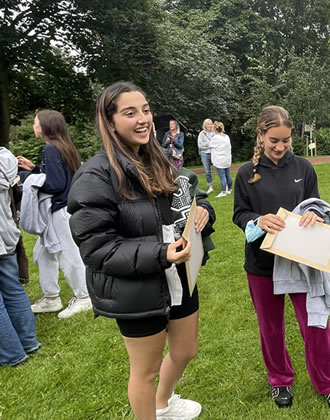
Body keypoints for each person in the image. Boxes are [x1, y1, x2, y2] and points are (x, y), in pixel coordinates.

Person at [67, 81, 214, 419]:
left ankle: (163, 404)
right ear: (110, 121)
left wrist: (203, 211)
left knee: (185, 350)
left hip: (180, 275)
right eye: (130, 112)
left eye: (145, 110)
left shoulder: (158, 158)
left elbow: (187, 199)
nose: (143, 119)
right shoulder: (95, 176)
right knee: (145, 372)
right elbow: (97, 250)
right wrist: (161, 254)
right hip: (137, 288)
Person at [232, 106, 330, 413]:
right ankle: (280, 379)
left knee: (315, 324)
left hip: (301, 261)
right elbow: (239, 215)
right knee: (270, 328)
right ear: (261, 135)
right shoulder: (246, 173)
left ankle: (329, 384)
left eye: (286, 140)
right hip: (262, 265)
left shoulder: (304, 168)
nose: (281, 147)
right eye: (274, 140)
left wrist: (315, 213)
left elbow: (317, 205)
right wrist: (259, 221)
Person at [17, 110, 91, 319]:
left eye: (35, 123)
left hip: (60, 211)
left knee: (68, 255)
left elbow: (54, 184)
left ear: (45, 125)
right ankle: (51, 298)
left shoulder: (51, 149)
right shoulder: (63, 147)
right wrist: (33, 169)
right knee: (43, 254)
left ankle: (85, 297)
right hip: (64, 208)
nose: (33, 127)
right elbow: (57, 177)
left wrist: (24, 177)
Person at [0, 147, 40, 367]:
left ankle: (12, 354)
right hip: (6, 232)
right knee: (13, 288)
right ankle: (28, 342)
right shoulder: (5, 157)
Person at [208, 121, 232, 197]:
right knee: (228, 175)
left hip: (219, 160)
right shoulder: (226, 136)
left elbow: (210, 145)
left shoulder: (215, 138)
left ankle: (223, 191)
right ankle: (229, 189)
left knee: (222, 176)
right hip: (227, 159)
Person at [197, 119, 214, 193]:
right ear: (205, 125)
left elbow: (217, 143)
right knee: (207, 171)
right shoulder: (202, 134)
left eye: (211, 124)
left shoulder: (215, 133)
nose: (210, 125)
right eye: (208, 124)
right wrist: (210, 145)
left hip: (214, 153)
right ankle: (210, 186)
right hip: (204, 153)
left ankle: (224, 184)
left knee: (220, 169)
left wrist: (209, 145)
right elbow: (200, 146)